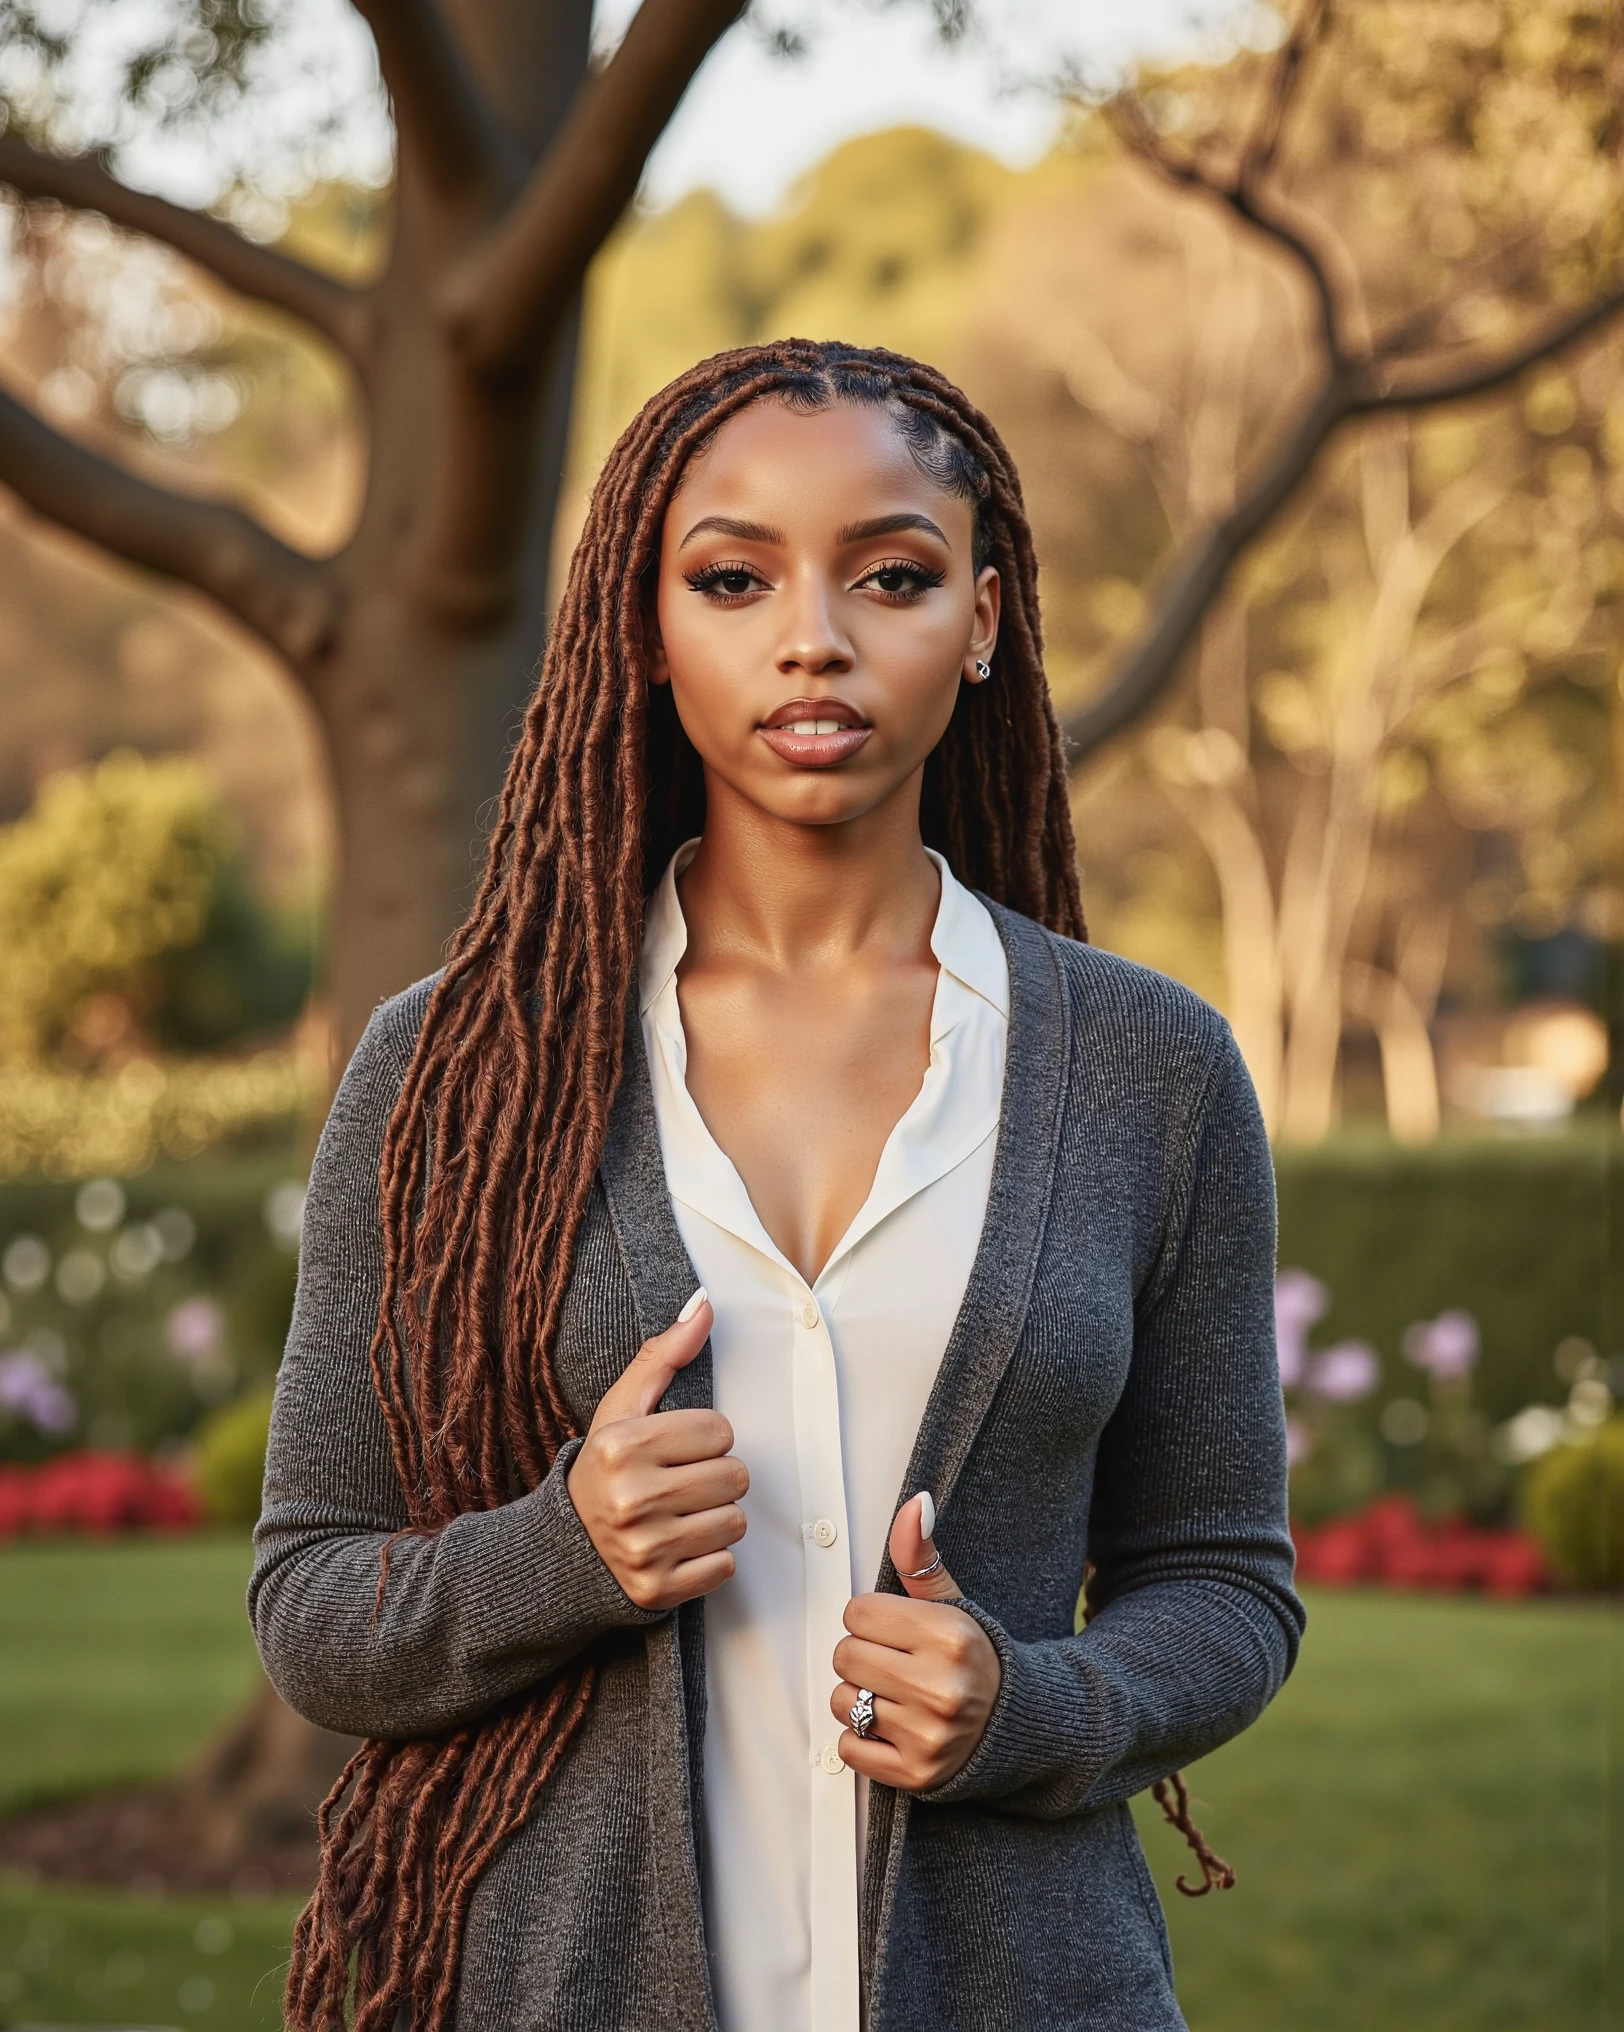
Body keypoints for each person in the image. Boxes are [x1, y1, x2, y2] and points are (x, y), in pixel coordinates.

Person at [252, 338, 1303, 2032]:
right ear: (647, 635)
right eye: (732, 577)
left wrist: (1037, 1707)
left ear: (981, 620)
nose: (813, 634)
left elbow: (1225, 1585)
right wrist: (562, 1552)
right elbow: (312, 1607)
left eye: (891, 575)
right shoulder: (456, 1071)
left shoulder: (1148, 1071)